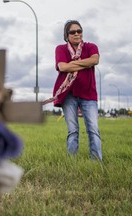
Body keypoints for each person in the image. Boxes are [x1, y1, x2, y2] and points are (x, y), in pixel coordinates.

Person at [52, 20, 102, 160]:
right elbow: (62, 67)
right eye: (72, 32)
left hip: (88, 94)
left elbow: (94, 60)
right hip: (68, 95)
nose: (76, 34)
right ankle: (71, 162)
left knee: (93, 129)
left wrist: (72, 64)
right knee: (73, 130)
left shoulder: (91, 46)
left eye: (79, 31)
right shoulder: (60, 49)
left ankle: (96, 162)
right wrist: (84, 64)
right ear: (66, 35)